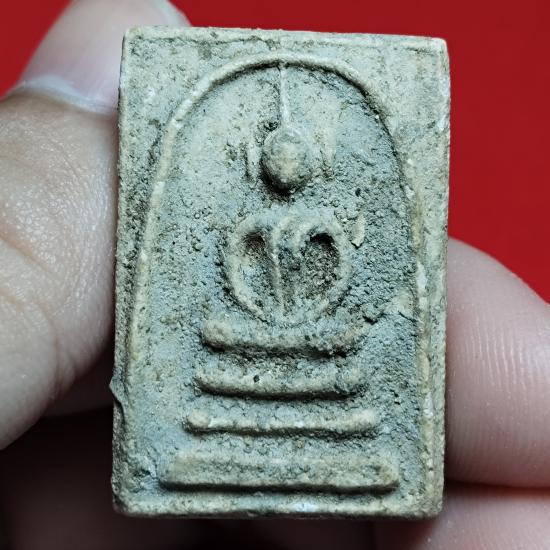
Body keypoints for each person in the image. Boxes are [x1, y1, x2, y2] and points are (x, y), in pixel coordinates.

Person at [0, 1, 548, 548]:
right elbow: (240, 278)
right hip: (248, 331)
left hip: (314, 333)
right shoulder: (251, 224)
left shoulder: (321, 223)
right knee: (225, 337)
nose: (286, 170)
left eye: (295, 160)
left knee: (338, 345)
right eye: (277, 159)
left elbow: (333, 276)